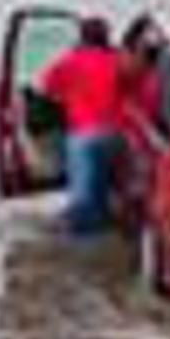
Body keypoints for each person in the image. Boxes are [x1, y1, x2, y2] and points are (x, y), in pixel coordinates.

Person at [41, 14, 129, 239]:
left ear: (82, 38)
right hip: (116, 136)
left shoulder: (71, 61)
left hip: (83, 137)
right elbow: (137, 86)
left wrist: (67, 97)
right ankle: (108, 228)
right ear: (106, 37)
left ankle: (82, 249)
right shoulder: (118, 60)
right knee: (105, 191)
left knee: (82, 200)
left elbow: (47, 86)